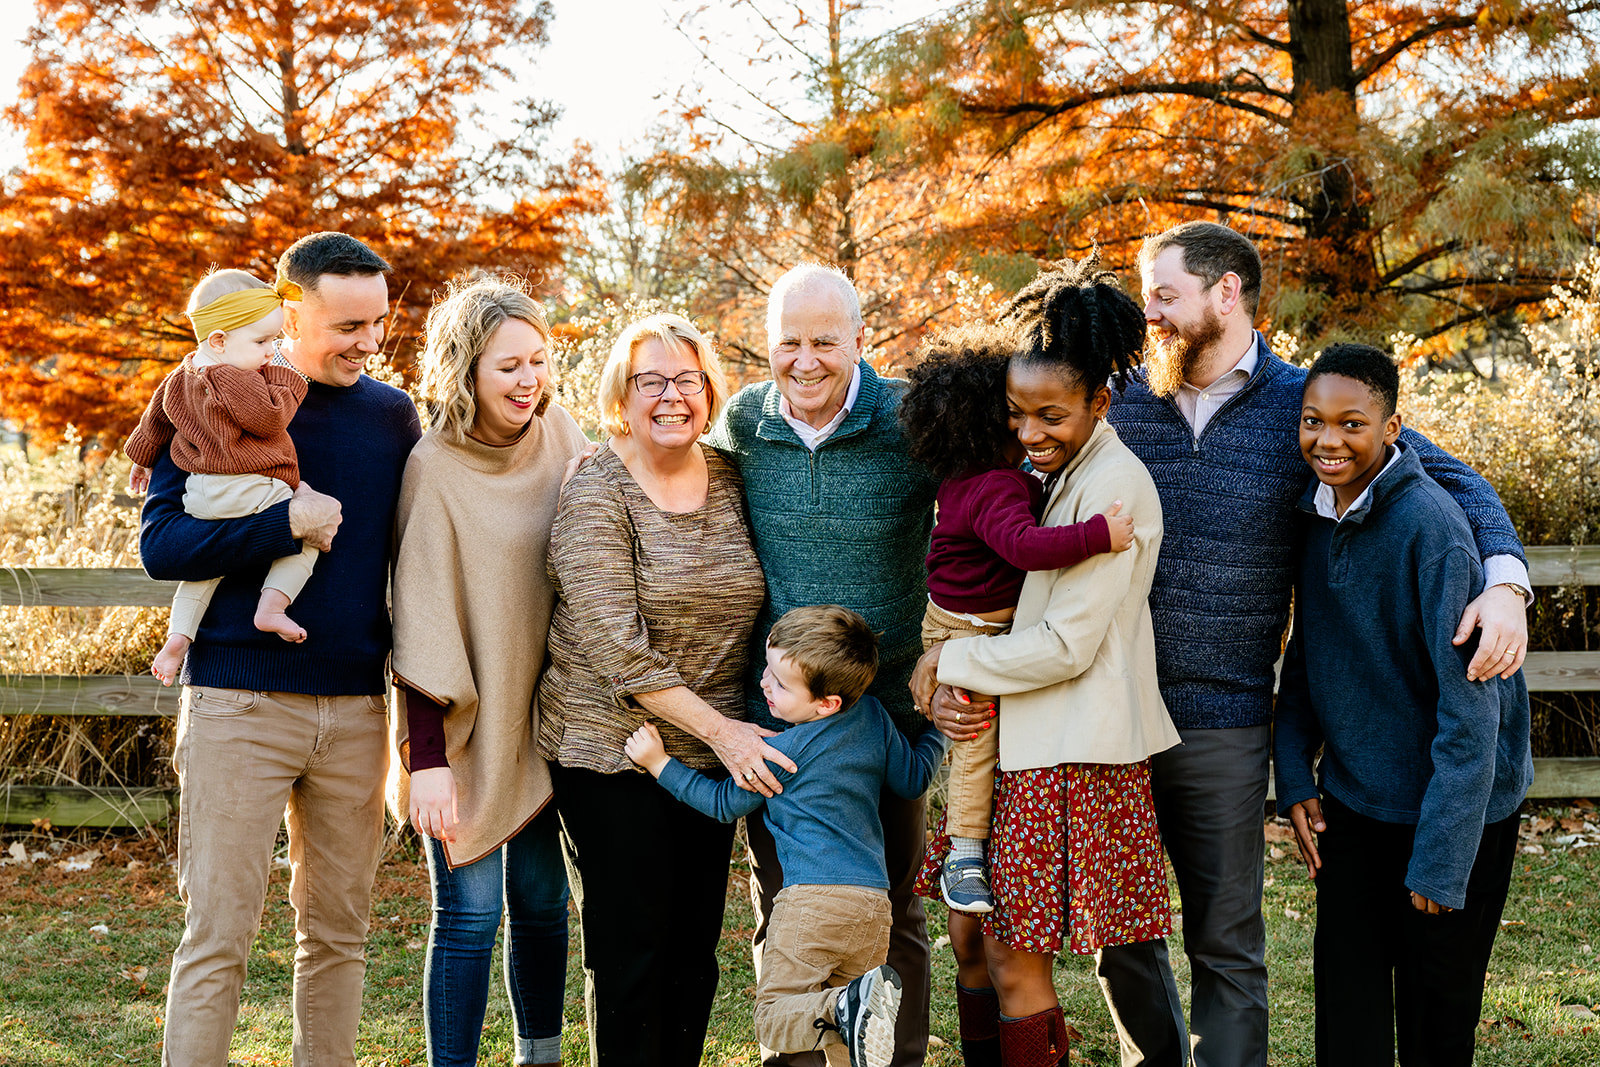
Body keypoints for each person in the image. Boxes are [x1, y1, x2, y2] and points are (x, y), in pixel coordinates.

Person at [1099, 220, 1532, 1067]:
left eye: (1163, 292)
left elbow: (1448, 480)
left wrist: (1507, 580)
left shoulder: (1306, 406)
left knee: (1225, 942)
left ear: (1227, 293)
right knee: (1124, 937)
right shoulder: (1120, 403)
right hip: (1111, 708)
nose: (1146, 311)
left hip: (1222, 717)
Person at [139, 231, 421, 1066]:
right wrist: (282, 523)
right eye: (348, 325)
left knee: (338, 934)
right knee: (218, 933)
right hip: (238, 703)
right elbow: (163, 547)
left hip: (357, 709)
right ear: (289, 312)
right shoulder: (206, 397)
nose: (368, 342)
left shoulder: (391, 415)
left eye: (377, 322)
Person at [916, 261, 1186, 1067]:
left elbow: (1066, 645)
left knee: (1009, 954)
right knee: (968, 935)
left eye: (1051, 415)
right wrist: (941, 666)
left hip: (1065, 752)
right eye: (1017, 414)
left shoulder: (1115, 488)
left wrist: (945, 658)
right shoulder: (1043, 475)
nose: (1031, 431)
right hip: (1013, 739)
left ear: (1099, 403)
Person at [708, 263, 942, 1067]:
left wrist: (949, 649)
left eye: (824, 342)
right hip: (782, 721)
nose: (805, 361)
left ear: (859, 341)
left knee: (893, 906)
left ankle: (891, 1057)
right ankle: (804, 1059)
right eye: (788, 343)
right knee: (784, 899)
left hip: (889, 715)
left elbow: (986, 507)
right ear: (768, 344)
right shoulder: (744, 421)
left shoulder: (911, 416)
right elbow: (663, 458)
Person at [1274, 343, 1533, 1066]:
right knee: (1348, 1017)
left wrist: (1441, 861)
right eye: (1313, 422)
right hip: (1357, 803)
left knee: (1435, 1025)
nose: (1328, 440)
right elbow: (1307, 658)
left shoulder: (1435, 534)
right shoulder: (1314, 512)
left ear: (1394, 429)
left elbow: (1471, 719)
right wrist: (1293, 774)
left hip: (1453, 815)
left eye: (1352, 424)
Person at [537, 313, 784, 1067]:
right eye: (652, 380)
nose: (672, 395)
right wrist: (726, 731)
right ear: (622, 394)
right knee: (631, 952)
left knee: (694, 949)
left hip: (709, 758)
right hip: (609, 748)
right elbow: (620, 650)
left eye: (688, 378)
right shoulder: (596, 494)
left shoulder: (735, 478)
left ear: (710, 391)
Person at [387, 275, 586, 1067]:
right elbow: (421, 618)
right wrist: (426, 761)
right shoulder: (431, 467)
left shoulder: (564, 436)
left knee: (544, 904)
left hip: (550, 722)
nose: (529, 379)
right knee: (468, 915)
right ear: (467, 367)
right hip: (463, 732)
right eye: (509, 366)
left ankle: (538, 1057)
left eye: (538, 360)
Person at [624, 605, 949, 1067]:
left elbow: (721, 804)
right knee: (849, 1045)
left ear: (826, 703)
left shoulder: (778, 752)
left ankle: (841, 1005)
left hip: (811, 902)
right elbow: (914, 778)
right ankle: (848, 1007)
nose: (763, 684)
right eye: (767, 668)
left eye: (779, 682)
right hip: (874, 907)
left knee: (776, 1019)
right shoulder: (873, 717)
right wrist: (939, 732)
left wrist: (660, 764)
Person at [898, 323, 1134, 915]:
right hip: (967, 630)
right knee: (975, 743)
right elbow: (1026, 548)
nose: (1025, 430)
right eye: (1012, 416)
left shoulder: (974, 479)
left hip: (967, 623)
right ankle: (965, 853)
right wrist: (1097, 534)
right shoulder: (995, 488)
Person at [125, 268, 322, 685]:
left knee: (205, 570)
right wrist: (289, 380)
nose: (272, 352)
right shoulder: (234, 377)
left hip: (201, 494)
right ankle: (271, 607)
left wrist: (142, 458)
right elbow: (270, 419)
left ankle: (178, 638)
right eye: (262, 342)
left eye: (274, 341)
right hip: (245, 485)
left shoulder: (181, 374)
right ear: (218, 340)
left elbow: (154, 422)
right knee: (309, 531)